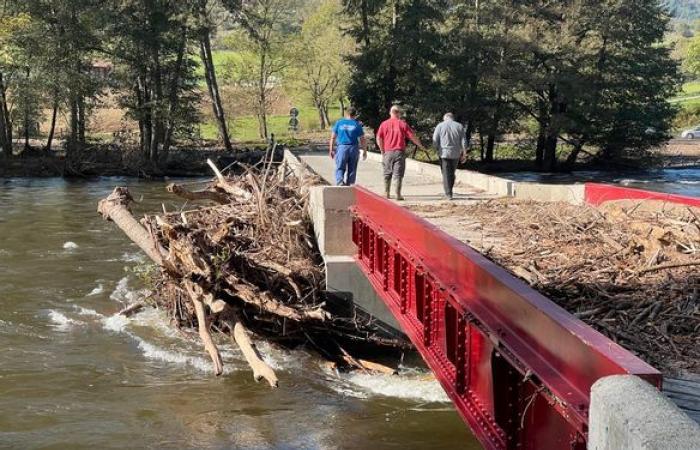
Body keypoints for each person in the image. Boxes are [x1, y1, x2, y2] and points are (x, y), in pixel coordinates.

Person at [376, 105, 426, 200]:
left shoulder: (384, 124)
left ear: (390, 113)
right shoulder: (402, 124)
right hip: (399, 152)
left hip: (388, 152)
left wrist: (382, 150)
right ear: (398, 113)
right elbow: (412, 137)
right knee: (398, 174)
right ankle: (398, 194)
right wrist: (420, 146)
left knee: (387, 173)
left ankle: (387, 193)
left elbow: (379, 138)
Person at [432, 112, 467, 200]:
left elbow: (435, 140)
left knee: (446, 173)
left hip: (443, 153)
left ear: (445, 118)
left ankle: (448, 194)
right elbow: (464, 141)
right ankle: (449, 190)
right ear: (452, 118)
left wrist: (436, 149)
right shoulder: (459, 126)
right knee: (452, 172)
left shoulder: (440, 126)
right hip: (455, 154)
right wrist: (464, 154)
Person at [329, 107, 367, 186]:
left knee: (340, 166)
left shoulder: (339, 123)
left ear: (346, 113)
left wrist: (331, 149)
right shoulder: (357, 124)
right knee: (352, 168)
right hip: (353, 148)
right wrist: (364, 151)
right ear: (355, 115)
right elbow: (362, 139)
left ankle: (340, 181)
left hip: (342, 147)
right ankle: (350, 184)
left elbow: (333, 137)